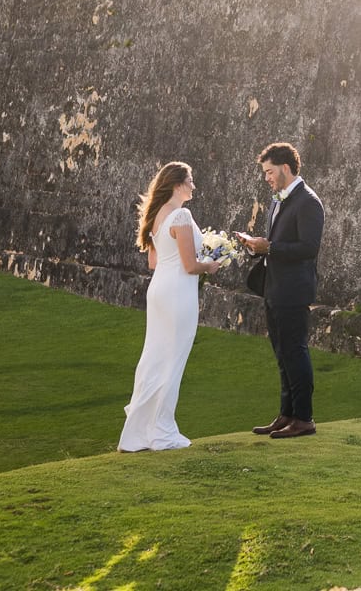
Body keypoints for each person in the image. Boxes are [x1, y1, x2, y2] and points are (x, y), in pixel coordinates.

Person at [119, 161, 222, 452]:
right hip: (178, 291)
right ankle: (162, 431)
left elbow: (154, 262)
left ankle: (141, 430)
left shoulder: (155, 216)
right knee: (173, 359)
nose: (193, 186)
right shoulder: (181, 215)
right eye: (190, 180)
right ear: (177, 184)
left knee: (154, 356)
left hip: (159, 290)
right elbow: (190, 265)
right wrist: (212, 265)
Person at [236, 141, 324, 439]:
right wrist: (255, 246)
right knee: (281, 354)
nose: (266, 177)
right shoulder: (278, 201)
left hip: (294, 291)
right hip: (274, 289)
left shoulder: (309, 202)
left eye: (269, 171)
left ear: (286, 168)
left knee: (295, 352)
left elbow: (309, 248)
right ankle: (286, 414)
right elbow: (276, 247)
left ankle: (304, 418)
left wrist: (270, 246)